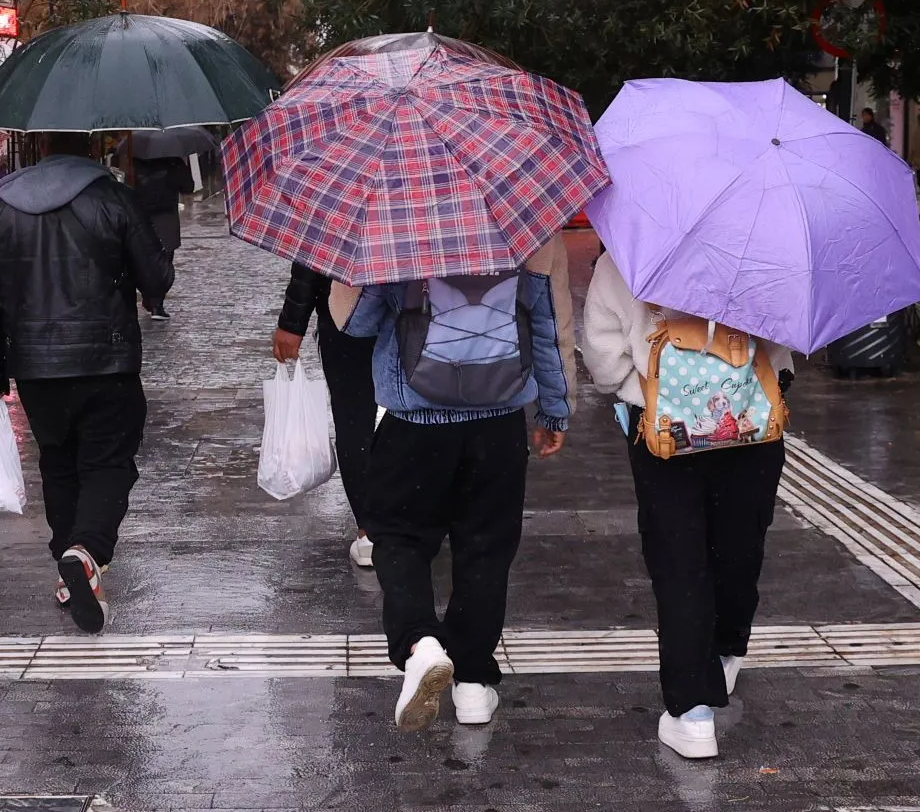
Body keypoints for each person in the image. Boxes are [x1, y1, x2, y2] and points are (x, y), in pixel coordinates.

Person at [337, 235, 574, 731]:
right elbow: (549, 321)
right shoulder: (526, 220)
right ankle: (472, 684)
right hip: (498, 422)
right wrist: (554, 408)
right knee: (485, 548)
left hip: (414, 422)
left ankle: (420, 643)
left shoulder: (396, 224)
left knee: (399, 539)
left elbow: (354, 323)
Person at [580, 250, 793, 760]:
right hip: (750, 429)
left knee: (678, 562)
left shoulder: (626, 259)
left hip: (664, 437)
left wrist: (653, 390)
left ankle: (692, 711)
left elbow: (604, 363)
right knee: (740, 546)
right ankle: (726, 649)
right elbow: (781, 345)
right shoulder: (759, 250)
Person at [0, 132, 174, 635]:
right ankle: (86, 552)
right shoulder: (114, 197)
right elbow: (157, 279)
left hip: (35, 368)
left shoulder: (4, 206)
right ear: (92, 144)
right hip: (106, 362)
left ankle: (69, 566)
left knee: (58, 463)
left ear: (41, 145)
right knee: (109, 464)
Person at [273, 263, 377, 566]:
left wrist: (292, 323)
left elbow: (312, 255)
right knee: (412, 417)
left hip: (349, 307)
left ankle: (370, 531)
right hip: (418, 311)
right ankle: (379, 526)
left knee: (354, 418)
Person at [132, 155, 195, 319]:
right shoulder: (174, 161)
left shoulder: (136, 160)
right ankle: (156, 303)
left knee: (143, 258)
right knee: (164, 259)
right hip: (166, 216)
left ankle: (150, 298)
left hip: (141, 215)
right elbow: (188, 187)